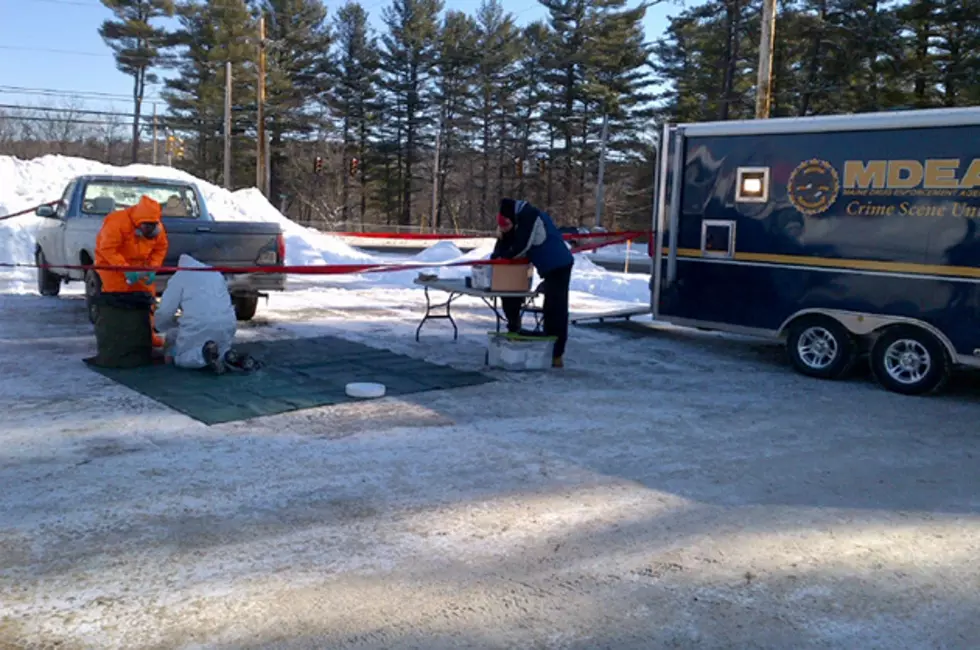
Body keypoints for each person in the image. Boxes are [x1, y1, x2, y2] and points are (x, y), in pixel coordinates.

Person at [491, 198, 575, 368]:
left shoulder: (529, 217)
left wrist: (503, 258)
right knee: (550, 309)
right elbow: (507, 241)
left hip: (558, 266)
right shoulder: (520, 217)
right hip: (550, 267)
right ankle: (549, 348)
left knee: (555, 311)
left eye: (507, 225)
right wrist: (497, 254)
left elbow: (521, 246)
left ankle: (556, 354)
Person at [155, 254, 258, 374]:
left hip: (200, 324)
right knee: (220, 349)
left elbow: (165, 311)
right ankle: (227, 356)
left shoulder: (180, 277)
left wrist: (160, 326)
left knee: (182, 358)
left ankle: (203, 355)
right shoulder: (215, 274)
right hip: (227, 324)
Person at [94, 195, 169, 348]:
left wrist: (152, 268)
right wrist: (125, 270)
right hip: (111, 267)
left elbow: (160, 248)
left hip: (140, 267)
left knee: (146, 300)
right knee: (118, 300)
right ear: (138, 223)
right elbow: (107, 249)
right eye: (145, 227)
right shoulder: (117, 222)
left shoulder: (156, 228)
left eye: (151, 227)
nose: (148, 230)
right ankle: (118, 337)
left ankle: (147, 336)